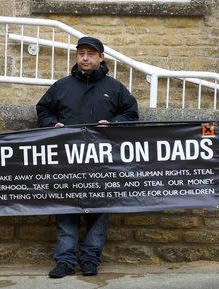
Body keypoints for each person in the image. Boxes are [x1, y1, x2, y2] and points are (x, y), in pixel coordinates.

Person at [36, 36, 139, 278]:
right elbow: (43, 109)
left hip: (103, 165)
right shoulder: (61, 86)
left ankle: (91, 259)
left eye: (90, 54)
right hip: (67, 163)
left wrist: (114, 124)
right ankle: (65, 261)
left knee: (99, 212)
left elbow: (132, 113)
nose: (85, 57)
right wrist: (52, 124)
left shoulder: (114, 88)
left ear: (101, 57)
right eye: (81, 53)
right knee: (66, 210)